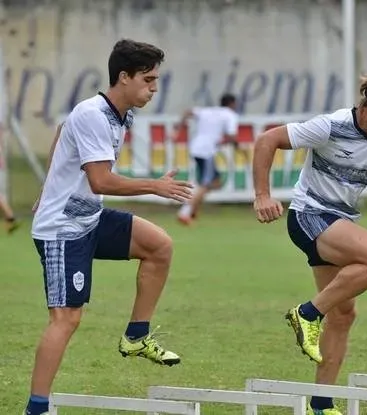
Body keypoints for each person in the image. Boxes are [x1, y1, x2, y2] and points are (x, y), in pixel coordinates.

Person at [24, 39, 193, 415]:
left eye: (156, 80)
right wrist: (156, 186)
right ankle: (35, 409)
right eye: (148, 80)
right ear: (123, 77)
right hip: (62, 230)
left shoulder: (119, 114)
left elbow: (62, 131)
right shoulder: (93, 115)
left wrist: (45, 185)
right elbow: (101, 181)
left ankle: (136, 336)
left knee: (159, 246)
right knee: (66, 318)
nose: (154, 88)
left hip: (89, 218)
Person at [252, 66, 367, 415]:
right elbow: (267, 141)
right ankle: (306, 314)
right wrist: (262, 195)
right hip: (310, 216)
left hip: (340, 222)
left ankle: (320, 405)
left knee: (343, 314)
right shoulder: (330, 125)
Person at [176, 93, 239, 225]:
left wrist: (177, 130)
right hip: (207, 151)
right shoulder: (230, 114)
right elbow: (232, 136)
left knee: (215, 182)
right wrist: (230, 144)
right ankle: (185, 212)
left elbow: (188, 112)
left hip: (196, 148)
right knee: (206, 184)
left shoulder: (208, 111)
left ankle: (193, 211)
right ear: (232, 104)